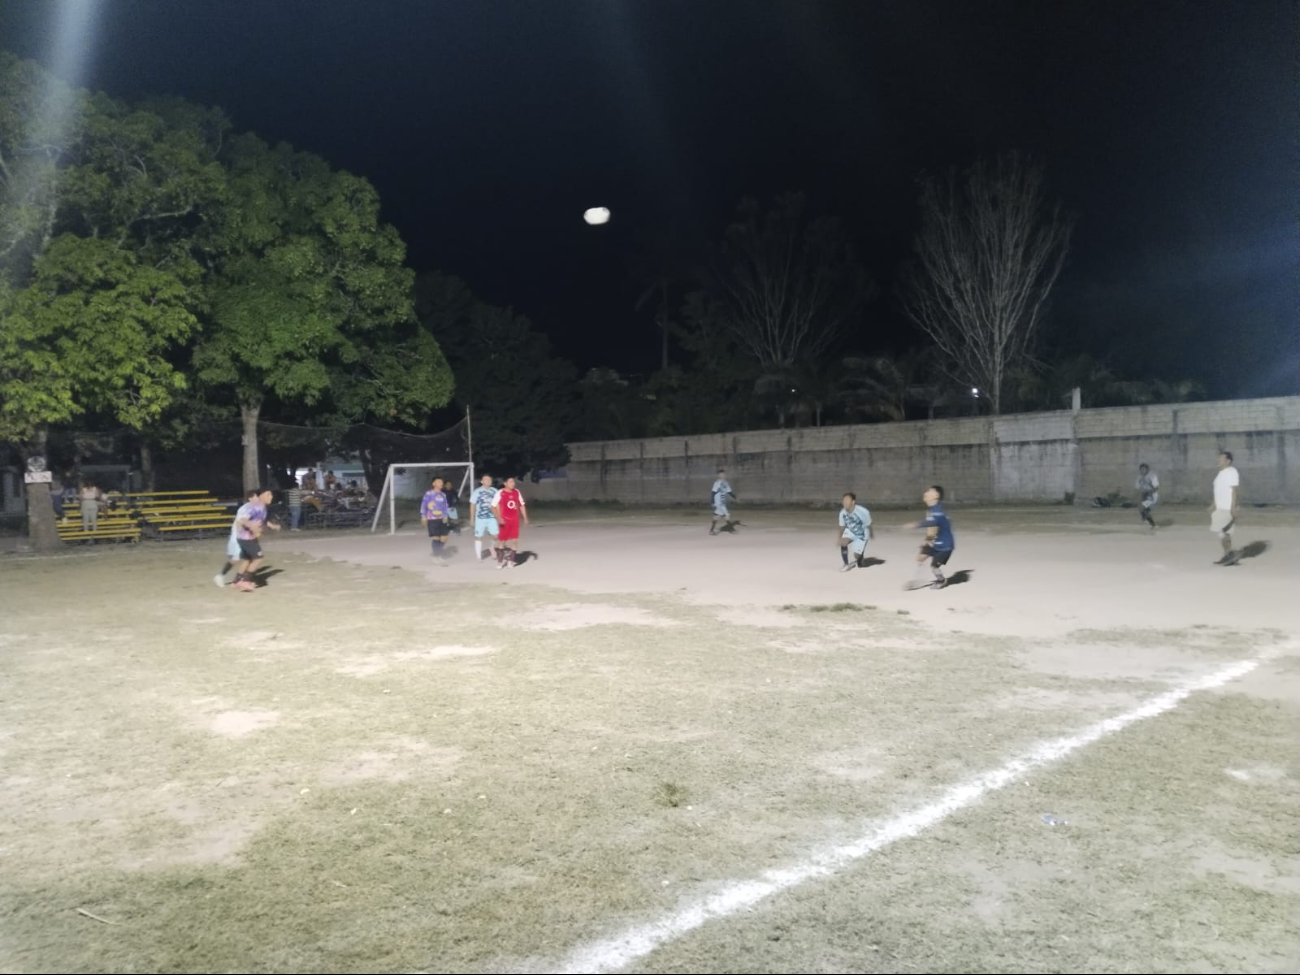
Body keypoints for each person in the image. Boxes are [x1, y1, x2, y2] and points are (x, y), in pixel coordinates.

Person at [219, 487, 279, 592]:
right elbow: (242, 519)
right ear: (261, 496)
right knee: (258, 558)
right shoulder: (253, 507)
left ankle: (236, 581)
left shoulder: (263, 508)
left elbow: (261, 521)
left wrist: (272, 526)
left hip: (247, 537)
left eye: (271, 494)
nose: (271, 497)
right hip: (246, 538)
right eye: (268, 494)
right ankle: (246, 581)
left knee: (248, 559)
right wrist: (251, 525)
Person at [906, 485, 954, 591]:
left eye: (929, 491)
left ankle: (942, 581)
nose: (925, 493)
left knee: (934, 567)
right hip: (935, 540)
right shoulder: (933, 509)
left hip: (944, 545)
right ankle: (915, 581)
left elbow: (934, 525)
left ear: (936, 495)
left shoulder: (937, 510)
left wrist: (917, 525)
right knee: (920, 558)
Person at [1210, 450, 1240, 565]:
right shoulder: (1221, 473)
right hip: (1220, 507)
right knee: (1222, 534)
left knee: (1224, 533)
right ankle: (1228, 555)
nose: (1218, 460)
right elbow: (1219, 491)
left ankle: (1229, 556)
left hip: (1227, 508)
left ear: (1228, 461)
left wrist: (1233, 507)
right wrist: (1213, 505)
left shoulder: (1231, 472)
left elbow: (1235, 490)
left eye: (1221, 459)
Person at [492, 476, 529, 568]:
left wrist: (525, 517)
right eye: (510, 482)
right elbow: (493, 506)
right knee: (502, 542)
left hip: (514, 520)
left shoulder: (517, 492)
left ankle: (511, 561)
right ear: (505, 483)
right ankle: (500, 562)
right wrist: (499, 518)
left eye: (513, 482)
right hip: (504, 520)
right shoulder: (500, 493)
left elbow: (521, 505)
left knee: (514, 541)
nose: (513, 484)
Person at [421, 476, 453, 565]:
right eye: (439, 482)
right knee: (436, 538)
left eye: (441, 482)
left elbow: (445, 506)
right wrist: (423, 516)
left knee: (444, 538)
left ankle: (436, 553)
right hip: (432, 519)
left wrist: (445, 516)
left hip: (442, 518)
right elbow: (423, 505)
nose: (441, 483)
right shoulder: (429, 494)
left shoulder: (443, 495)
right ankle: (436, 556)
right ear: (434, 483)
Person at [837, 492, 872, 572]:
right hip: (851, 531)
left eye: (847, 500)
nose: (845, 502)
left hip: (862, 533)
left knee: (858, 560)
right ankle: (846, 564)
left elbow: (868, 525)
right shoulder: (842, 513)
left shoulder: (863, 511)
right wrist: (840, 538)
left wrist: (866, 538)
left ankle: (860, 557)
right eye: (844, 500)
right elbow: (842, 526)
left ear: (853, 502)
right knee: (843, 542)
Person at [470, 474, 500, 563]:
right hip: (480, 518)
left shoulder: (495, 491)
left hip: (492, 517)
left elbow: (498, 504)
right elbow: (472, 505)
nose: (488, 481)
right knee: (478, 537)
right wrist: (472, 518)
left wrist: (499, 516)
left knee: (496, 536)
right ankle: (479, 556)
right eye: (486, 479)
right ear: (482, 482)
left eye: (489, 479)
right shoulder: (477, 492)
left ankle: (492, 548)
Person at [709, 469, 735, 535]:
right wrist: (712, 502)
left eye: (724, 474)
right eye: (721, 474)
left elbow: (729, 492)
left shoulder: (726, 483)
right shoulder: (717, 483)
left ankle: (711, 530)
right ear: (718, 475)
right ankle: (731, 529)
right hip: (718, 503)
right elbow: (713, 492)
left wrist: (735, 497)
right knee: (726, 515)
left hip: (722, 503)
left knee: (716, 516)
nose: (723, 475)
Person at [1135, 463, 1160, 530]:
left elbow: (1156, 488)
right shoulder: (1139, 477)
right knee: (1142, 510)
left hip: (1152, 496)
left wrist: (1149, 492)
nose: (1143, 471)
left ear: (1147, 469)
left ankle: (1153, 524)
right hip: (1145, 495)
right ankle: (1146, 518)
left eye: (1144, 469)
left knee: (1143, 509)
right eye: (1141, 469)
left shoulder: (1152, 476)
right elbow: (1138, 487)